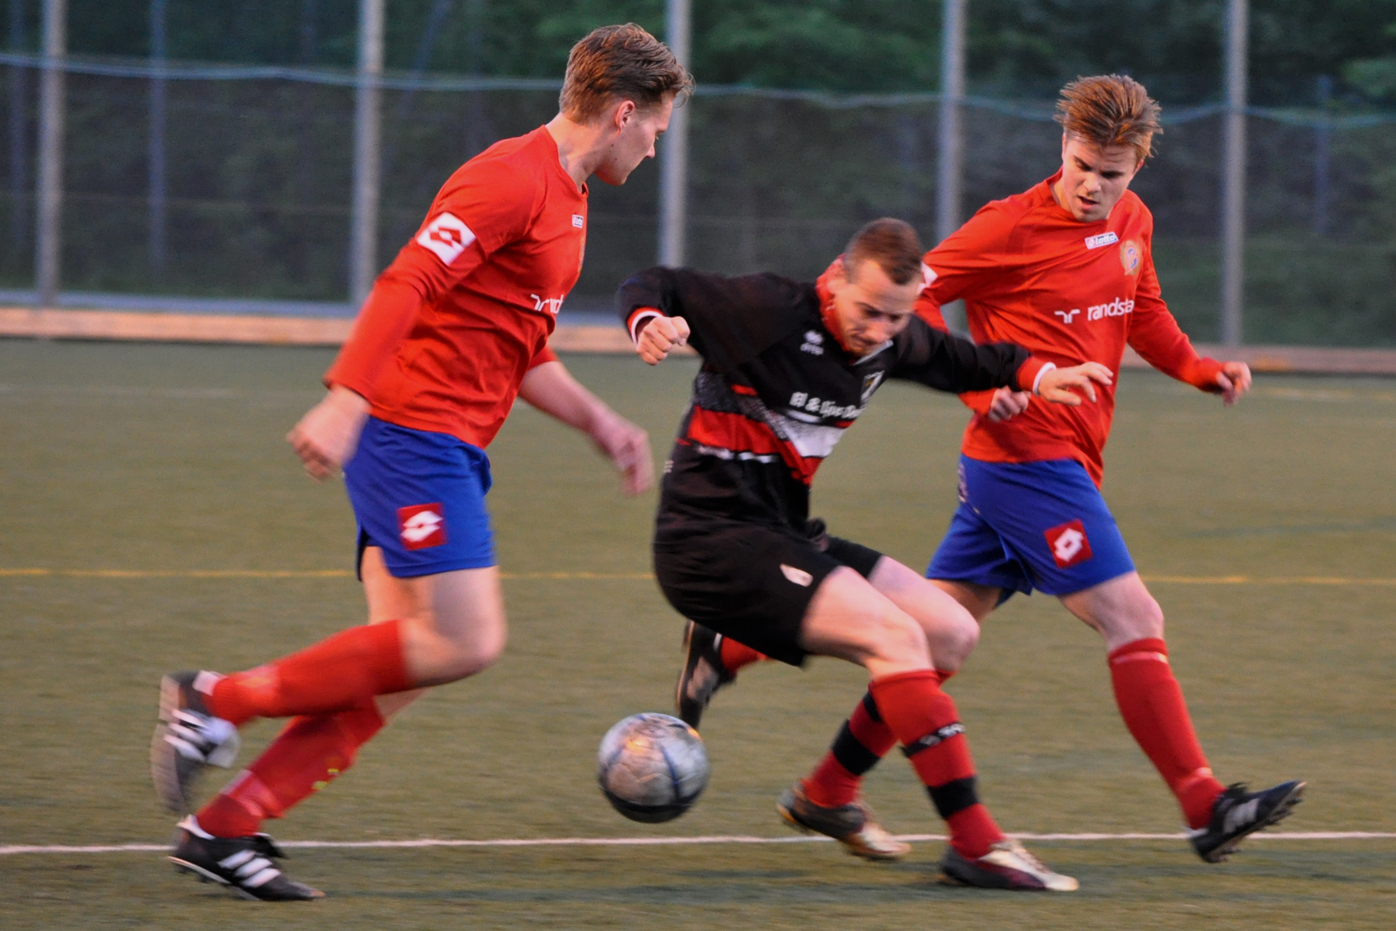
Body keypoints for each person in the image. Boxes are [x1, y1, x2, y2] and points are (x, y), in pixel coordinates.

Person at [685, 74, 1304, 867]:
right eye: (1082, 165)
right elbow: (919, 297)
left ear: (1139, 165)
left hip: (1042, 466)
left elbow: (1142, 310)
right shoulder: (1008, 225)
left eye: (1111, 174)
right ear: (1064, 145)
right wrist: (982, 385)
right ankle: (1204, 804)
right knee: (1133, 616)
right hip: (1026, 464)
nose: (1092, 185)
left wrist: (1198, 369)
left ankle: (810, 762)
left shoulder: (1133, 223)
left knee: (927, 641)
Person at [148, 24, 690, 901]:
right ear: (624, 113)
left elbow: (519, 344)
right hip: (409, 432)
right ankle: (216, 698)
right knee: (465, 639)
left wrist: (601, 423)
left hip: (449, 446)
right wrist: (346, 397)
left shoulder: (569, 197)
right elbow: (407, 281)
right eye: (657, 128)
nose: (657, 146)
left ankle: (224, 827)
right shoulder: (511, 178)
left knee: (407, 666)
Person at [627, 217, 1112, 891]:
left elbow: (967, 359)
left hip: (783, 535)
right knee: (896, 639)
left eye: (896, 316)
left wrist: (1042, 373)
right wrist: (648, 320)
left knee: (949, 632)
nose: (880, 329)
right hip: (705, 540)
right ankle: (976, 844)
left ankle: (823, 790)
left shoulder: (890, 339)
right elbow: (655, 282)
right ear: (836, 279)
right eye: (869, 310)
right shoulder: (767, 309)